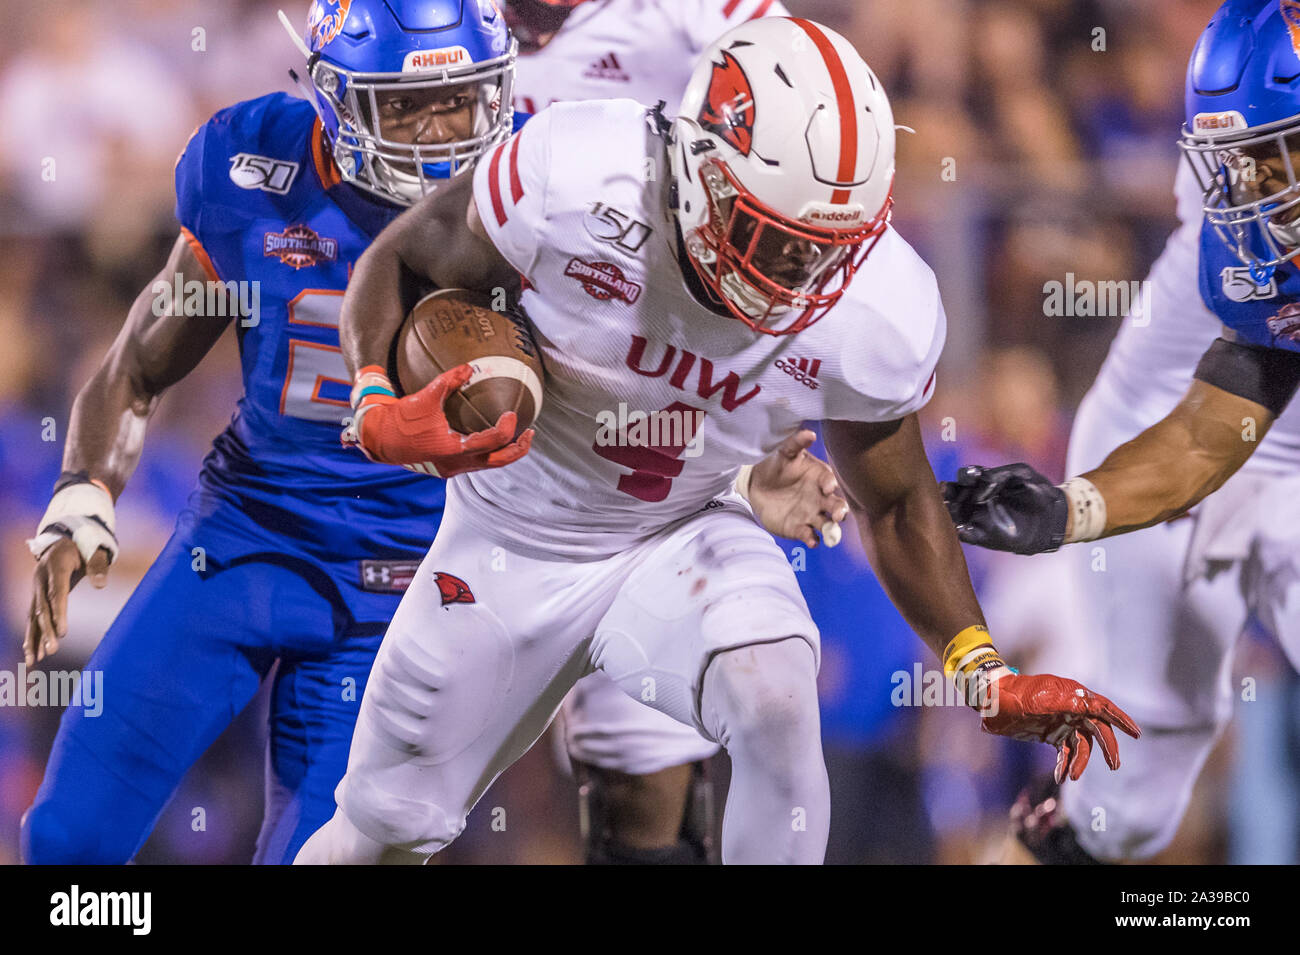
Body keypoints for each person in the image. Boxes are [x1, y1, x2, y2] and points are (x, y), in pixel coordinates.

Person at [297, 16, 1139, 865]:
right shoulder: (578, 173)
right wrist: (373, 397)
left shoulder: (877, 305)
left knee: (774, 693)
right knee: (383, 834)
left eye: (824, 252)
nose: (793, 276)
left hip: (684, 527)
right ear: (699, 166)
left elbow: (894, 496)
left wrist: (981, 672)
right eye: (771, 234)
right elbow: (404, 262)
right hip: (514, 536)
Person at [18, 0, 829, 865]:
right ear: (334, 95)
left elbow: (634, 399)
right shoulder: (256, 167)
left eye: (461, 99)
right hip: (245, 541)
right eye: (406, 106)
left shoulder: (549, 183)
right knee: (70, 837)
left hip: (409, 584)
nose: (440, 130)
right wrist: (81, 495)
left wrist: (737, 481)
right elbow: (143, 362)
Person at [941, 0, 1300, 864]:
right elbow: (1214, 425)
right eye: (1243, 165)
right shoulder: (1251, 251)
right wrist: (1070, 509)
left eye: (1279, 161)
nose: (1256, 195)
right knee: (1128, 804)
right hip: (1173, 421)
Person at [502, 0, 795, 864]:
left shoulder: (692, 14)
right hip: (482, 392)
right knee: (403, 759)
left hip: (643, 409)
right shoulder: (430, 27)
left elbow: (809, 114)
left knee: (641, 761)